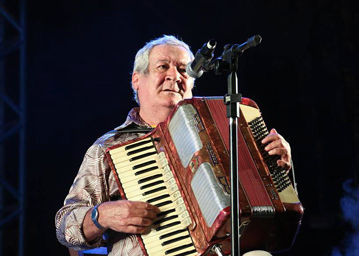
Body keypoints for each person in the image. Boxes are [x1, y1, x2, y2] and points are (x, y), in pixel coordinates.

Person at [55, 35, 292, 256]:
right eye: (162, 66)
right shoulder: (108, 147)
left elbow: (276, 225)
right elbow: (65, 226)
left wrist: (280, 170)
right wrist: (101, 216)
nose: (174, 76)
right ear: (137, 79)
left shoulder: (227, 131)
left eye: (182, 70)